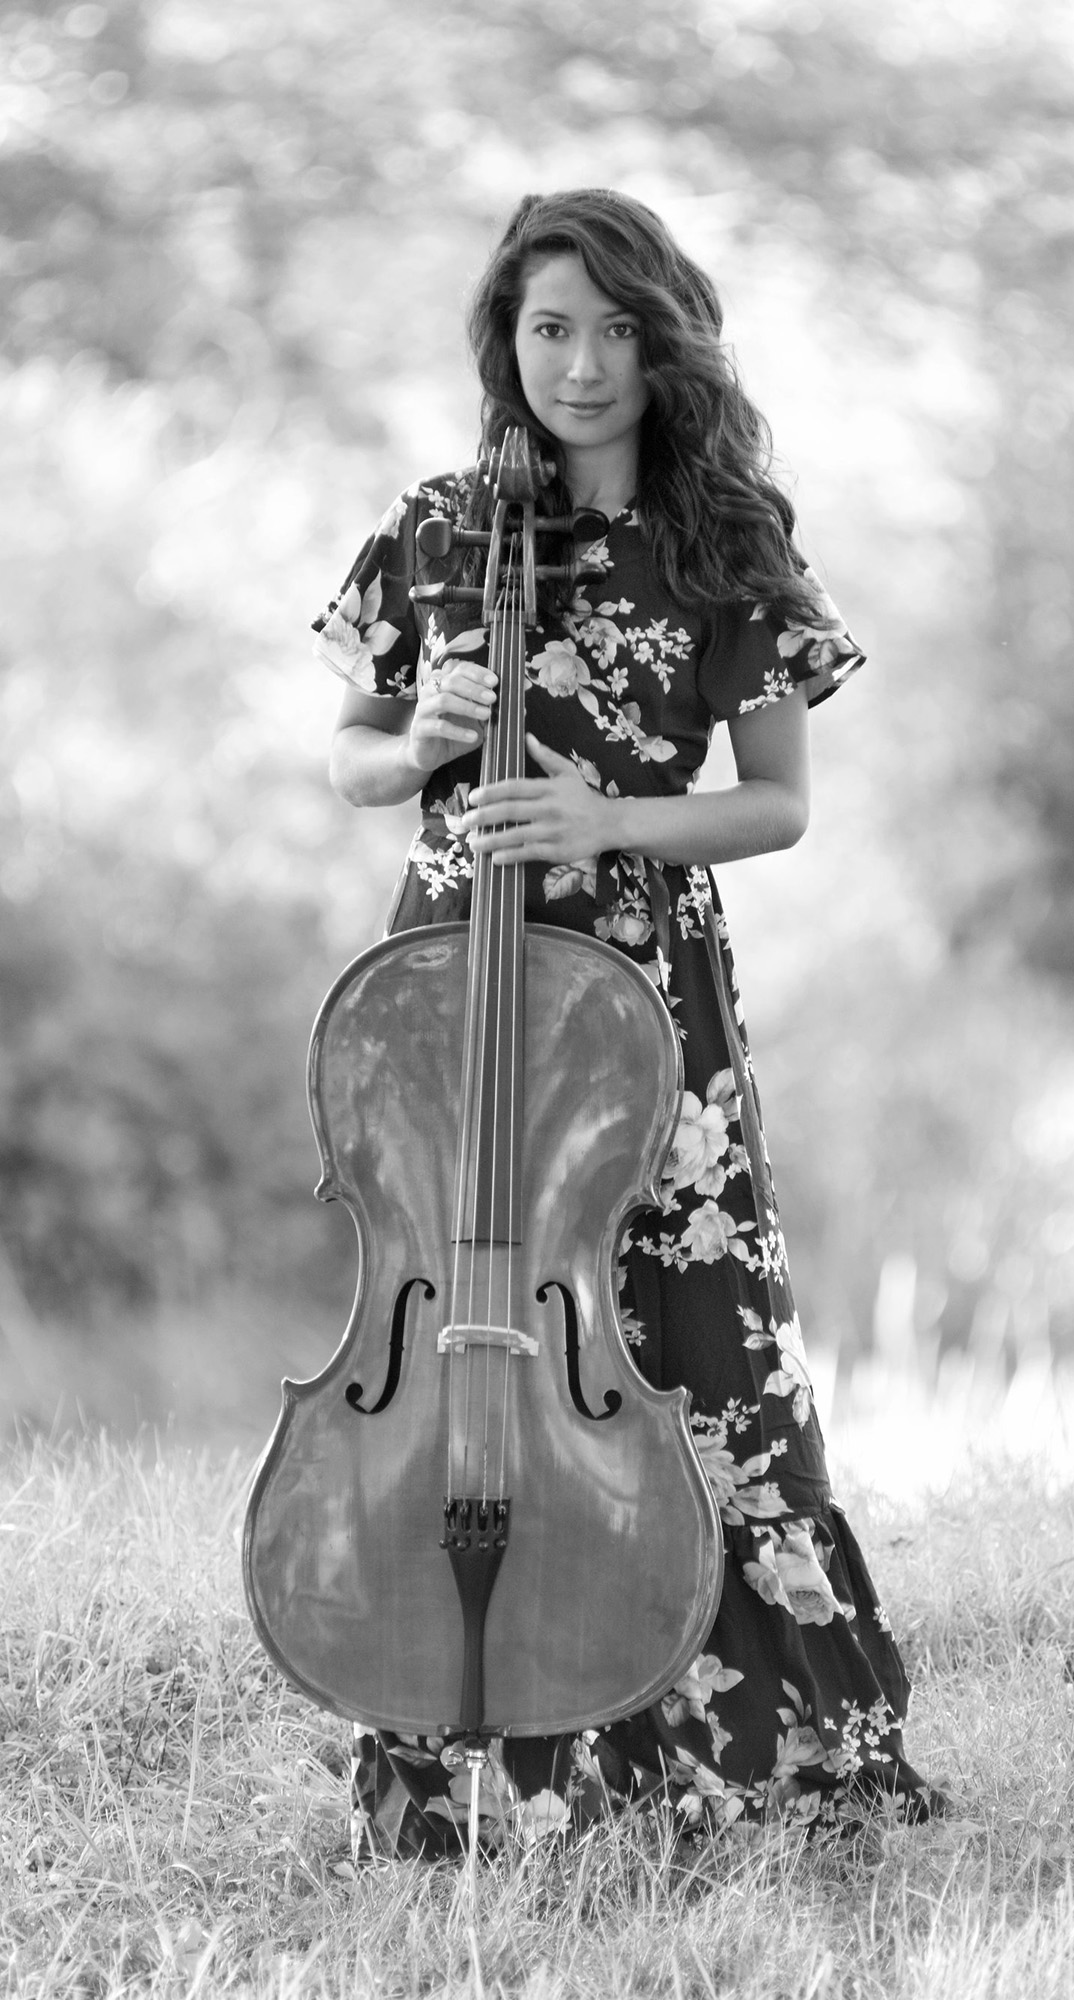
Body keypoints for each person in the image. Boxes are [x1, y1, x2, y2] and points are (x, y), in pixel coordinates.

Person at [312, 187, 939, 1863]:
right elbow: (353, 759)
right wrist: (419, 738)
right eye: (548, 329)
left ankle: (752, 1756)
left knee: (696, 1354)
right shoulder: (437, 526)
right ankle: (473, 1742)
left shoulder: (726, 534)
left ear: (665, 344)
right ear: (504, 341)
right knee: (466, 1339)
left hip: (642, 990)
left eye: (613, 330)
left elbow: (779, 804)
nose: (580, 365)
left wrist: (608, 820)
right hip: (457, 975)